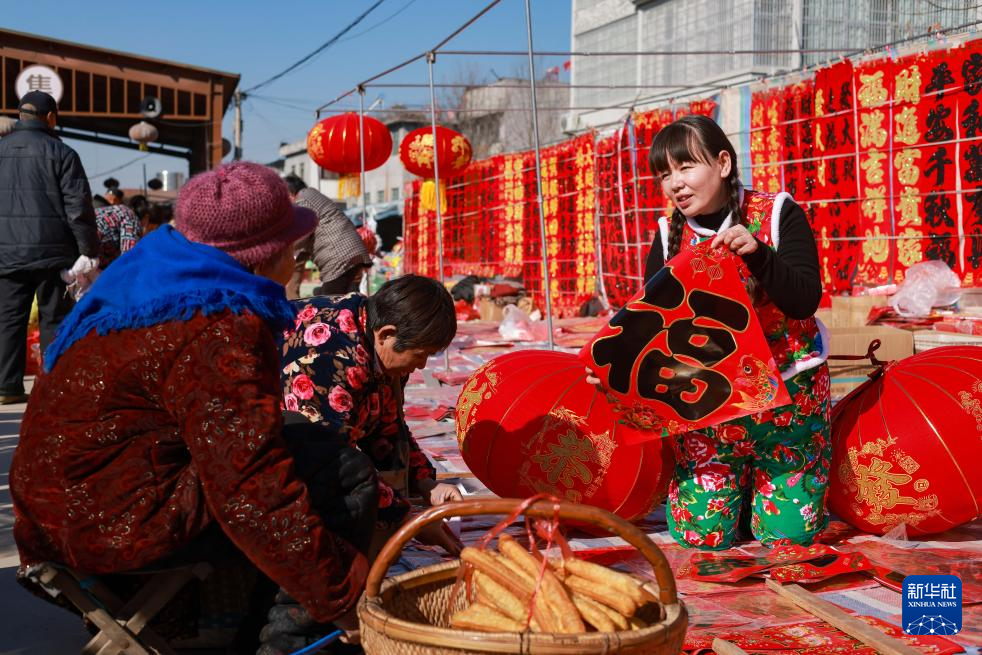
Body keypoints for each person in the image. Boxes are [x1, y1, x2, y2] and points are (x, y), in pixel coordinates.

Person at [10, 162, 373, 651]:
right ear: (264, 255)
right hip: (98, 520)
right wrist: (340, 596)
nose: (301, 257)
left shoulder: (153, 270)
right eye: (294, 245)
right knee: (340, 470)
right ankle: (294, 643)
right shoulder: (216, 322)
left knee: (294, 435)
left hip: (56, 502)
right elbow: (251, 488)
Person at [594, 115, 830, 551]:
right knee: (701, 535)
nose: (674, 184)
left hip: (789, 397)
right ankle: (737, 497)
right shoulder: (669, 236)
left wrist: (759, 254)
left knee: (789, 539)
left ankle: (767, 493)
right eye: (665, 174)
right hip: (710, 407)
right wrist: (612, 366)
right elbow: (650, 329)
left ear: (723, 163)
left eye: (686, 168)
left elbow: (804, 300)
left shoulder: (776, 214)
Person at [281, 274, 463, 555]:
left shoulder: (375, 337)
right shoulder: (332, 360)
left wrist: (424, 481)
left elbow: (387, 424)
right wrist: (406, 520)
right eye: (420, 354)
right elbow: (334, 460)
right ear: (386, 334)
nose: (421, 365)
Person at [0, 90, 99, 405]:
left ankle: (7, 387)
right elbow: (78, 207)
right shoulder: (63, 153)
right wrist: (88, 250)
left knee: (8, 320)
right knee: (53, 318)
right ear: (50, 117)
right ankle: (52, 385)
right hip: (53, 253)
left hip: (6, 253)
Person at [282, 174, 372, 299]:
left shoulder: (303, 199)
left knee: (329, 304)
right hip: (349, 252)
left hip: (339, 256)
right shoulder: (310, 196)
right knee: (344, 298)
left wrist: (282, 247)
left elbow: (302, 232)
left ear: (290, 193)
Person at [94, 202, 144, 269]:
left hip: (81, 240)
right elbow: (128, 259)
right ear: (146, 218)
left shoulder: (116, 210)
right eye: (153, 229)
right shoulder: (131, 217)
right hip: (86, 249)